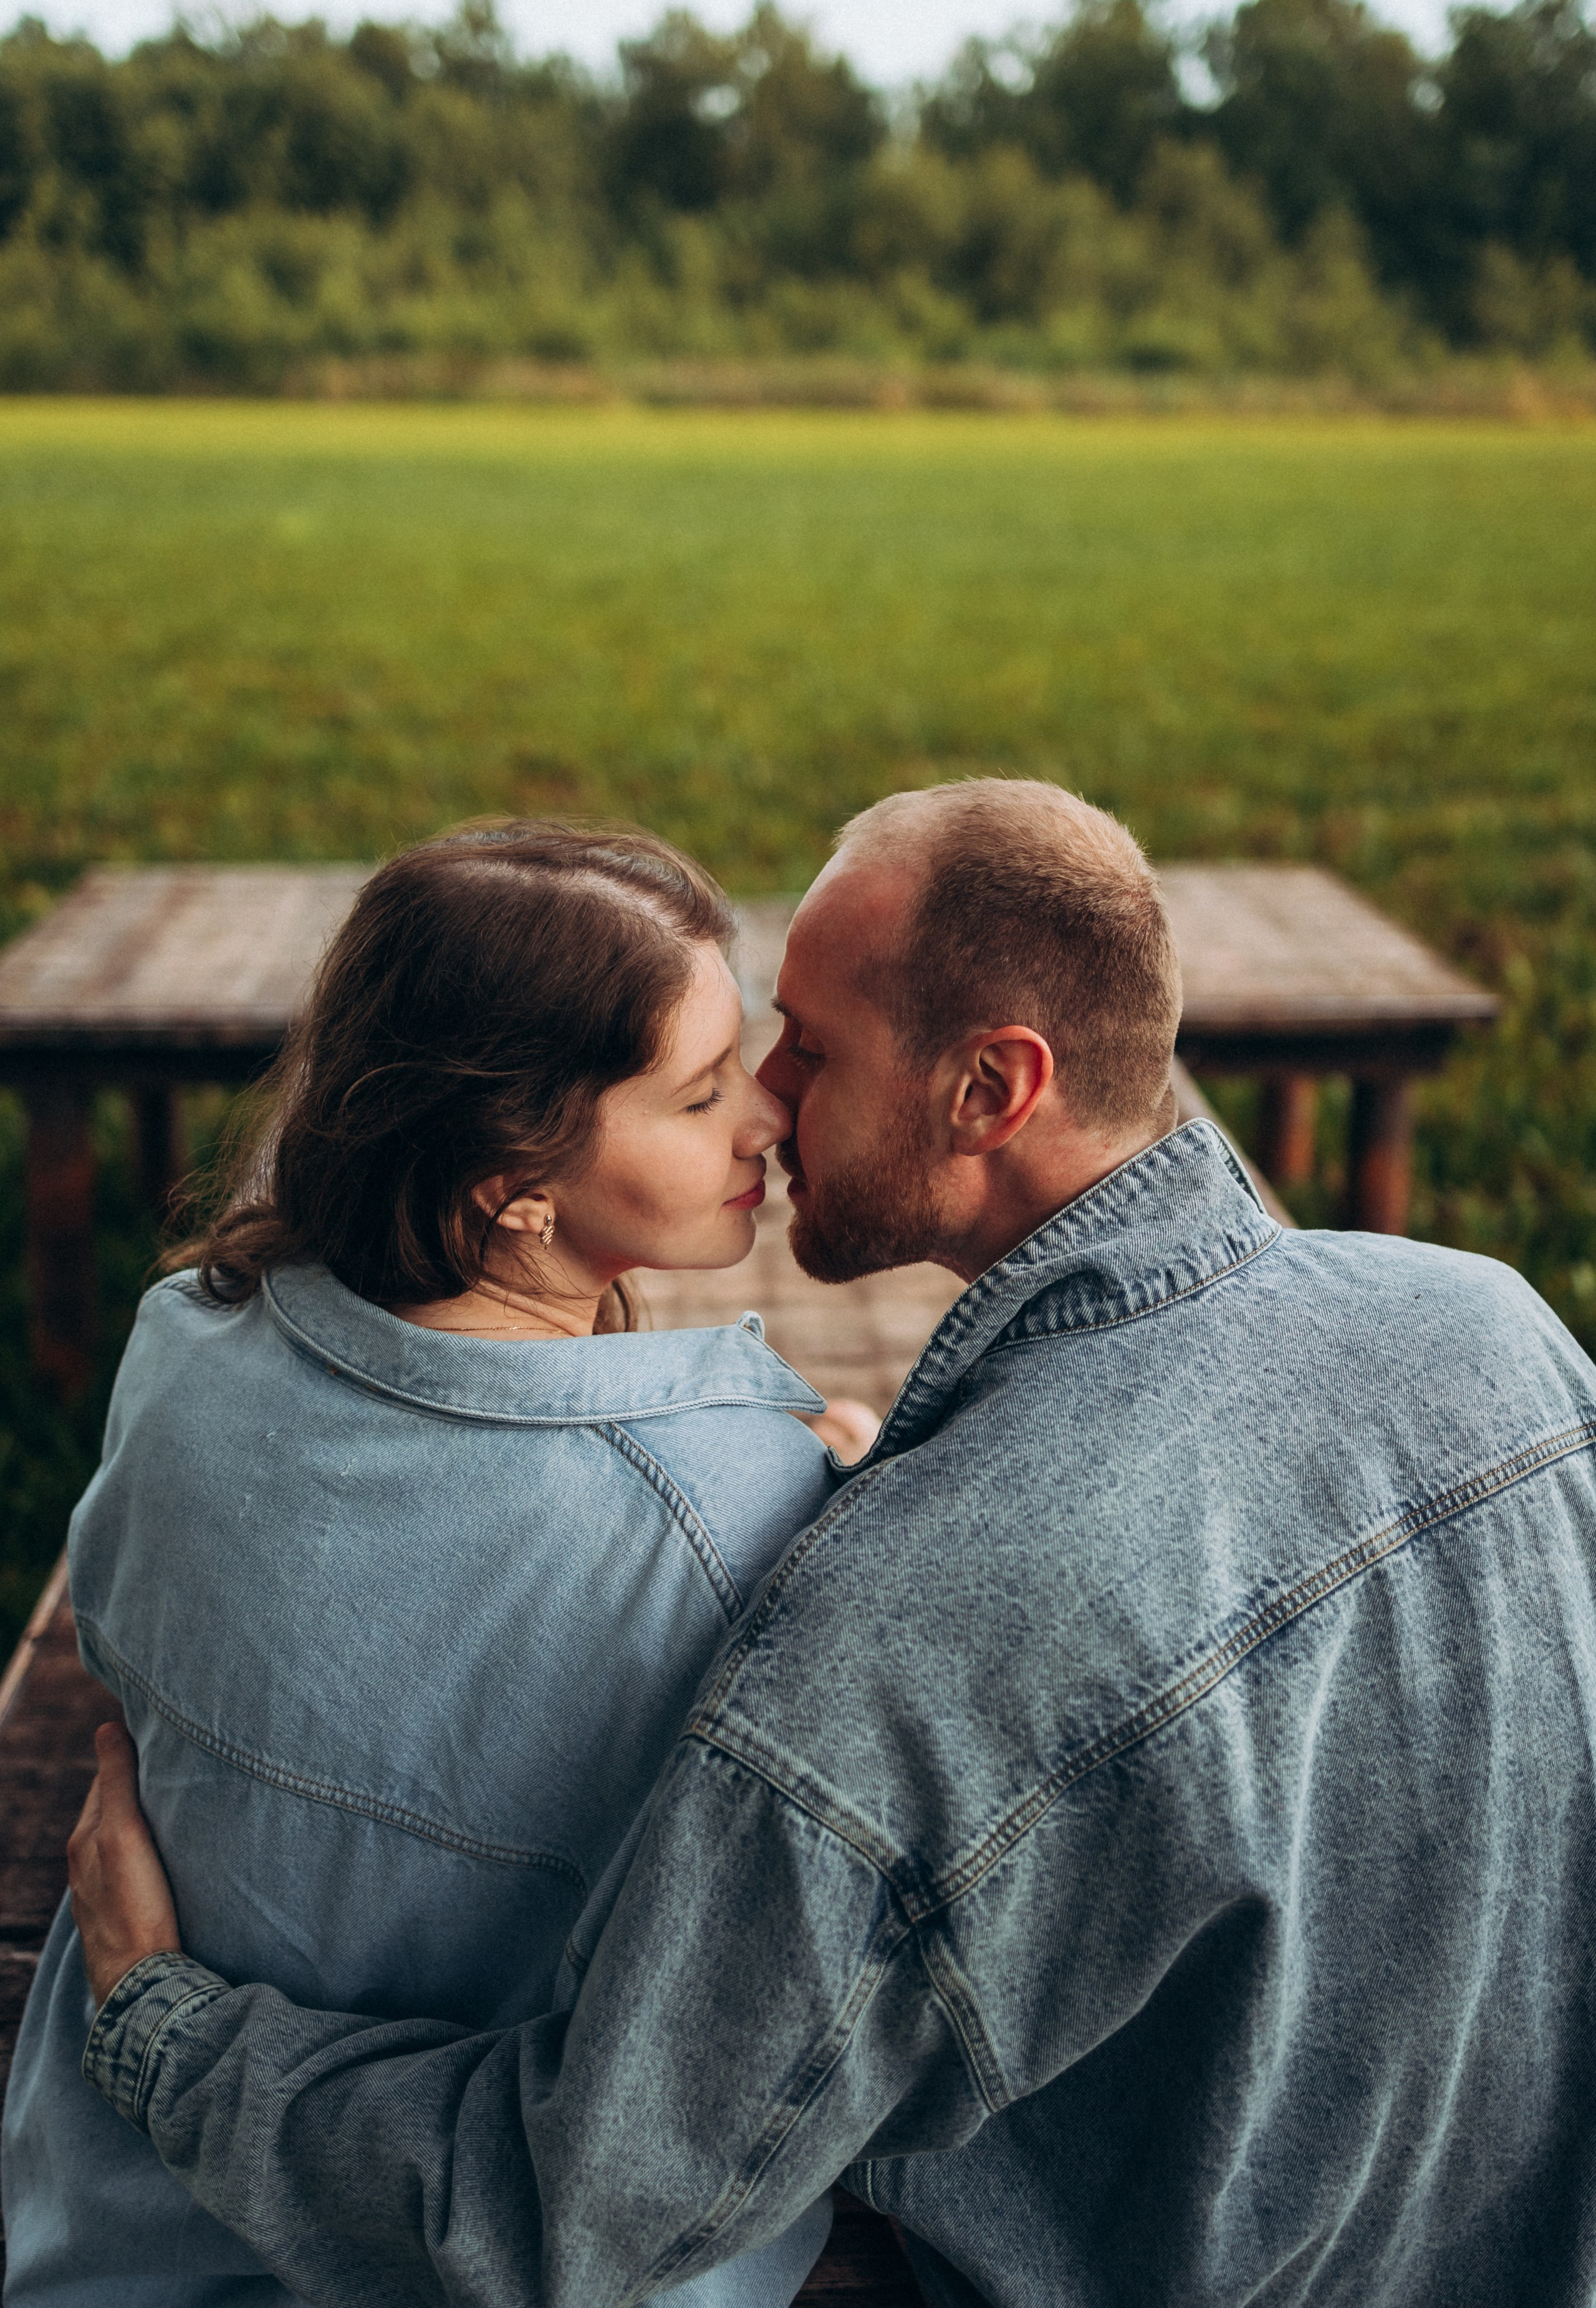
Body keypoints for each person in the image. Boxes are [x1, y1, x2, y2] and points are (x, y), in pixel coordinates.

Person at [69, 778, 1596, 2308]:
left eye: (804, 1043)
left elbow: (576, 2210)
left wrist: (160, 2031)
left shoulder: (892, 1627)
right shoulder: (1493, 1327)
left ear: (988, 1089)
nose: (774, 1095)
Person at [4, 821, 871, 2306]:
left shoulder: (189, 1341)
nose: (764, 1124)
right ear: (511, 1185)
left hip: (123, 2239)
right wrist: (833, 1489)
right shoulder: (733, 1509)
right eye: (699, 1091)